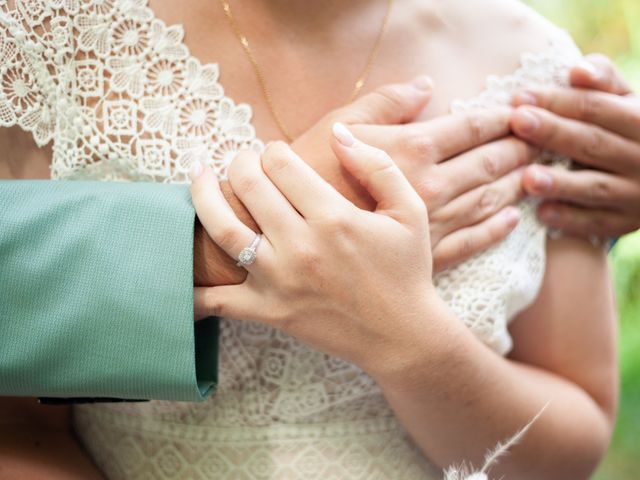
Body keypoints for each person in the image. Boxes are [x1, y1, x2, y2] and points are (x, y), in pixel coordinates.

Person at [0, 0, 635, 478]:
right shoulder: (47, 37)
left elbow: (572, 438)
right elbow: (18, 426)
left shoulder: (536, 67)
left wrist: (413, 346)